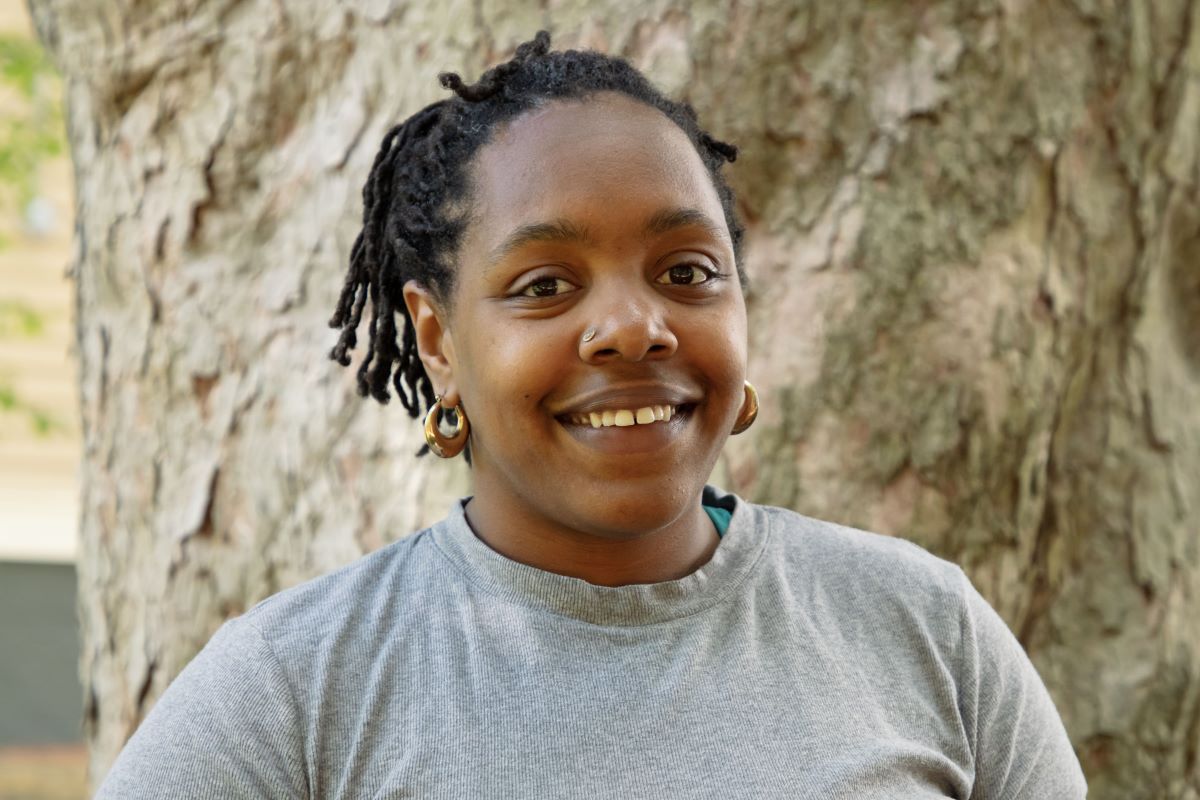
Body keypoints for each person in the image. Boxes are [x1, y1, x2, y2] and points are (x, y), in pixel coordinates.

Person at [95, 32, 1087, 799]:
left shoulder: (924, 628)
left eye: (687, 272)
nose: (633, 327)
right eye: (545, 284)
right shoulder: (296, 687)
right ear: (438, 340)